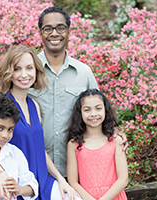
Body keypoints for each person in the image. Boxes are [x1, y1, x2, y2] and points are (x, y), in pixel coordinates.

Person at [0, 45, 81, 200]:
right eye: (17, 69)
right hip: (17, 184)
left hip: (42, 182)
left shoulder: (34, 105)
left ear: (36, 71)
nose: (24, 74)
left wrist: (61, 180)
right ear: (8, 73)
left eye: (29, 68)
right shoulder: (1, 105)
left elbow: (39, 148)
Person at [28, 6, 129, 178]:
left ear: (68, 32)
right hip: (34, 167)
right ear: (40, 33)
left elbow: (99, 111)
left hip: (77, 170)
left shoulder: (83, 72)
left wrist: (115, 132)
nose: (54, 33)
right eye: (48, 28)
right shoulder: (28, 71)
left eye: (60, 28)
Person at [67, 89, 128, 200]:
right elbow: (73, 181)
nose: (93, 114)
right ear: (80, 113)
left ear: (105, 110)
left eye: (98, 108)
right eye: (87, 110)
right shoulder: (73, 144)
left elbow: (123, 179)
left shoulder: (116, 141)